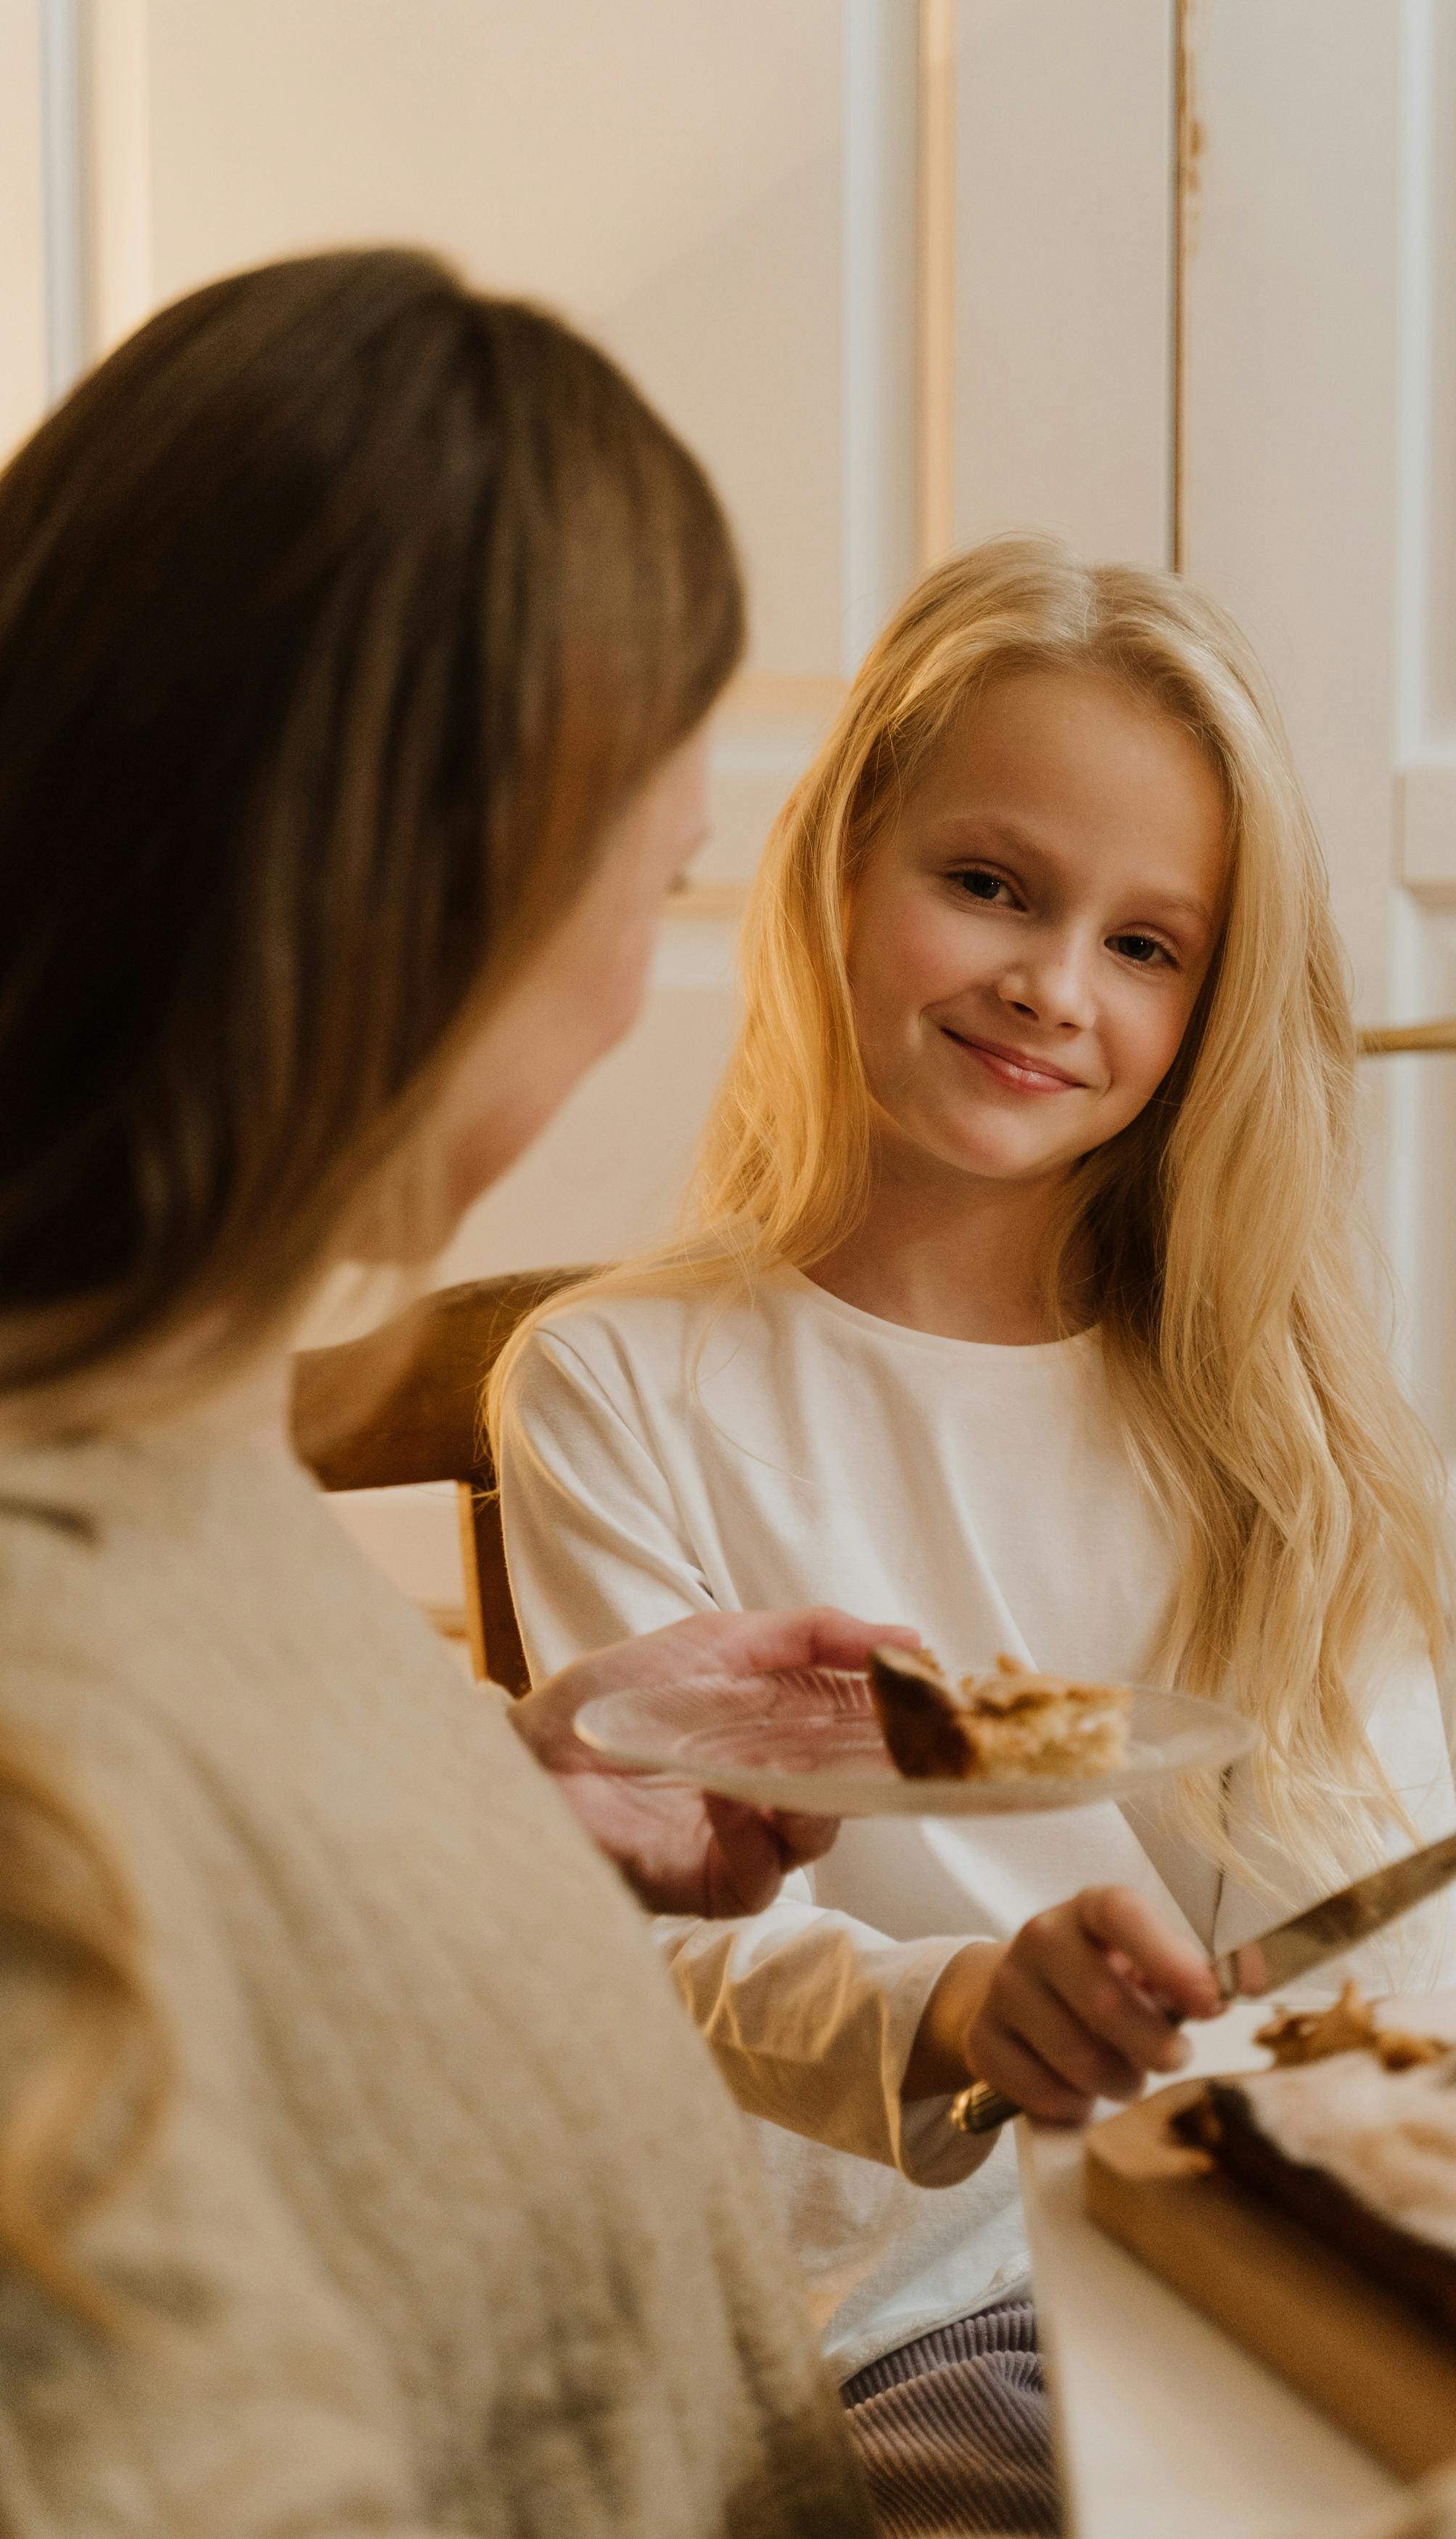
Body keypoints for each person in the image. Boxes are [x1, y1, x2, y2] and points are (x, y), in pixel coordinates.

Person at [0, 244, 942, 2538]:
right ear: (431, 912)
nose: (641, 989)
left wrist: (506, 1809)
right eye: (658, 885)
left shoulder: (164, 1427)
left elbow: (252, 1974)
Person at [496, 538, 1456, 2535]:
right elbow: (671, 1952)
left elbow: (1398, 1953)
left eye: (1147, 944)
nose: (1051, 982)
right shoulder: (619, 1379)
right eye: (994, 887)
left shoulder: (1262, 1417)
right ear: (844, 866)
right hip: (898, 2308)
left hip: (1268, 2266)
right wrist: (953, 2007)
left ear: (1211, 1009)